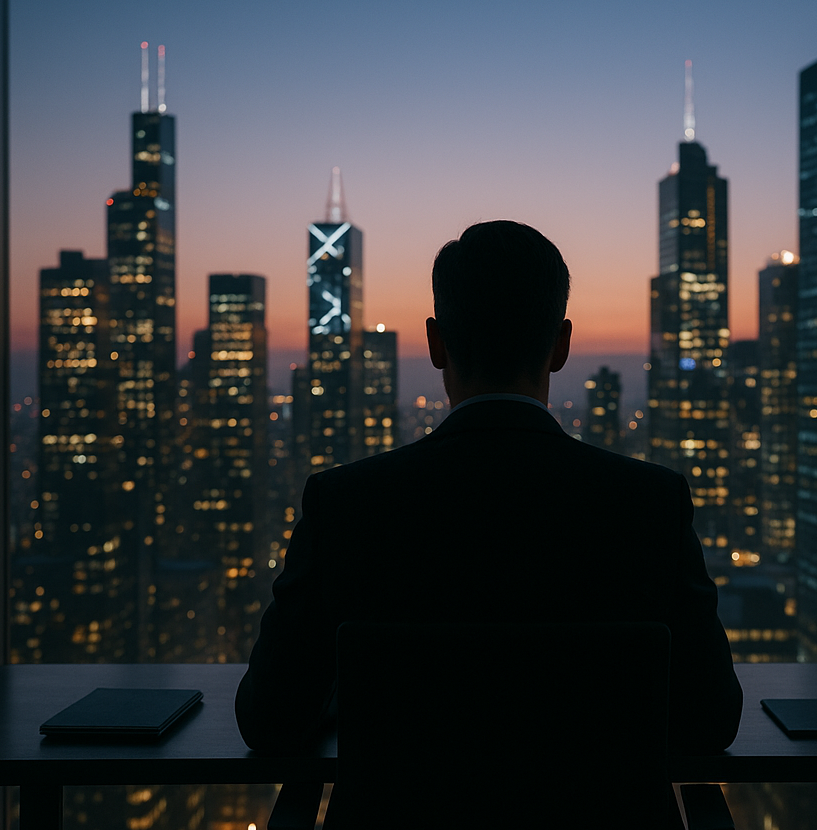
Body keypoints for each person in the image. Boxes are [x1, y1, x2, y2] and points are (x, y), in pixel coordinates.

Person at [235, 219, 742, 754]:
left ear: (435, 343)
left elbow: (268, 718)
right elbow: (710, 719)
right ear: (560, 346)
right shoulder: (650, 505)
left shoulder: (346, 505)